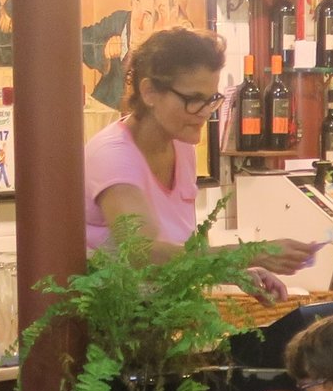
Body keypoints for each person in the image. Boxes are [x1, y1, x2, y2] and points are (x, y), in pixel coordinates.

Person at [84, 26, 315, 277]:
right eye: (194, 99)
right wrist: (248, 254)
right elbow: (144, 253)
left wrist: (234, 273)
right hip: (118, 314)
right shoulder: (113, 156)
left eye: (211, 99)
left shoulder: (181, 144)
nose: (206, 112)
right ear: (149, 91)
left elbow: (183, 248)